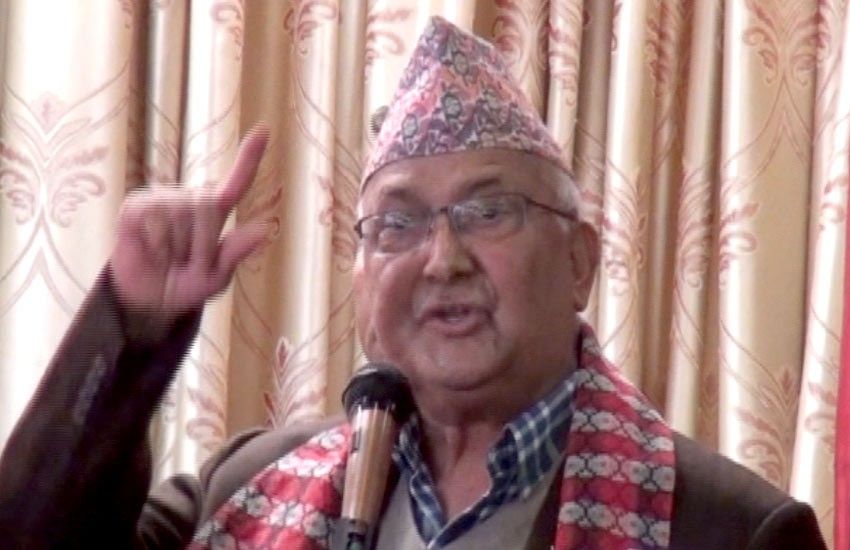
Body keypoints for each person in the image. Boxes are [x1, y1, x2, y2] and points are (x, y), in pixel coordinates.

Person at [0, 16, 827, 550]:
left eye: (488, 211)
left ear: (579, 260)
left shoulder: (733, 530)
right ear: (361, 278)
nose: (442, 259)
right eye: (397, 223)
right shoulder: (245, 488)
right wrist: (132, 322)